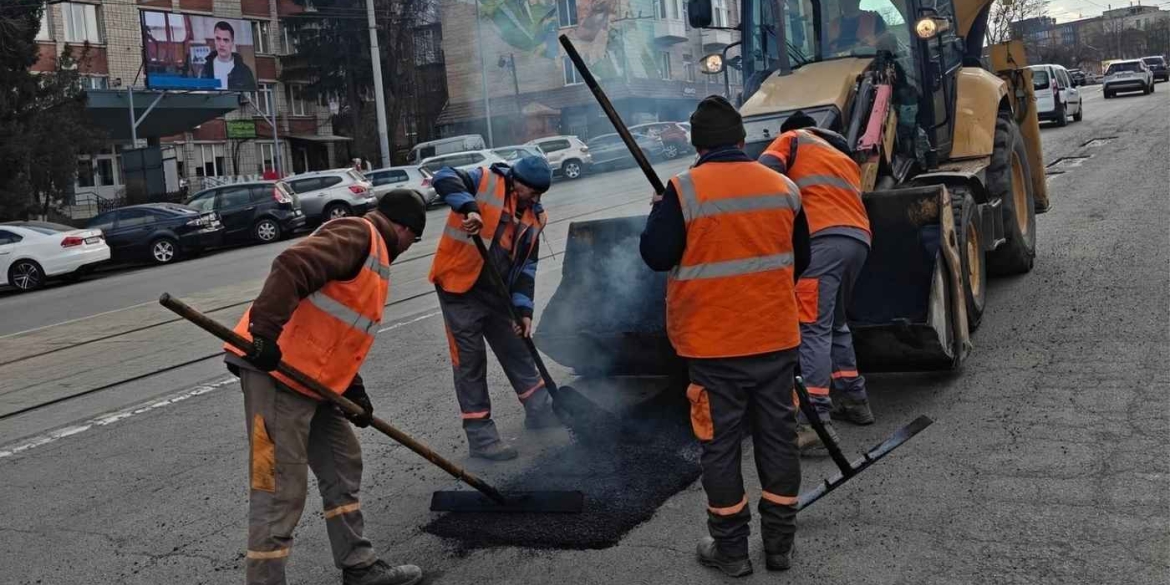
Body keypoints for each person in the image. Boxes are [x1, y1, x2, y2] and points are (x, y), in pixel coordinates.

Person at [641, 95, 811, 577]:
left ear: (697, 146)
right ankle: (779, 546)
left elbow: (656, 255)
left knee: (720, 446)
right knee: (778, 439)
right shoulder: (782, 188)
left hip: (713, 348)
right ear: (741, 140)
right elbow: (804, 260)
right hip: (776, 340)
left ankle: (732, 551)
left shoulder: (683, 190)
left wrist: (659, 212)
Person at [224, 190, 427, 585]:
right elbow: (291, 263)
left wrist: (354, 391)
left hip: (311, 383)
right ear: (403, 228)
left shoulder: (374, 258)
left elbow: (337, 332)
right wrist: (263, 333)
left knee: (342, 462)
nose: (410, 247)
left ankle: (359, 566)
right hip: (274, 375)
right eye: (414, 239)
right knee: (277, 487)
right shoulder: (359, 234)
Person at [759, 110, 874, 456]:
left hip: (823, 242)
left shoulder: (792, 139)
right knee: (836, 325)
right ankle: (856, 400)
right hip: (858, 240)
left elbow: (760, 178)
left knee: (812, 329)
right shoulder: (841, 156)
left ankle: (815, 423)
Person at [429, 156, 557, 461]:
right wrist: (469, 208)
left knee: (517, 348)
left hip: (498, 292)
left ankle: (540, 412)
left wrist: (523, 311)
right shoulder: (485, 181)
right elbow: (444, 176)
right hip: (459, 287)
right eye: (532, 192)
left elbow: (527, 268)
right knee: (470, 362)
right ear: (517, 181)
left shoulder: (536, 218)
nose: (536, 199)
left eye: (541, 194)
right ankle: (482, 438)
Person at [202, 20, 256, 90]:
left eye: (226, 40)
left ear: (232, 42)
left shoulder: (244, 71)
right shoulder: (206, 68)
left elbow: (250, 94)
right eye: (218, 39)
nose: (221, 44)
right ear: (214, 40)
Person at [824, 0, 891, 55]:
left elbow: (886, 44)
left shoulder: (874, 19)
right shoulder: (831, 25)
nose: (848, 2)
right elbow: (825, 52)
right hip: (836, 64)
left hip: (869, 63)